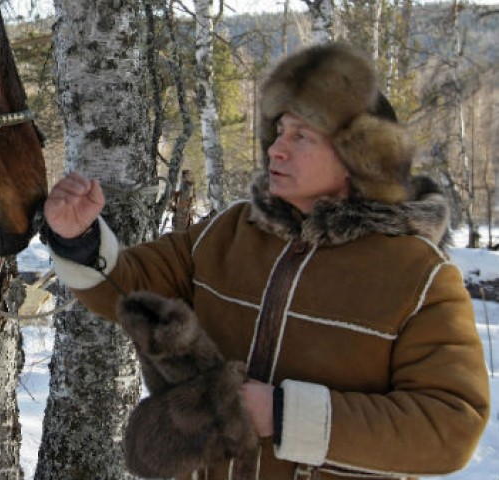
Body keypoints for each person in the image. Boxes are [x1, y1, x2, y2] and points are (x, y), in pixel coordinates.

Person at [42, 43, 489, 479]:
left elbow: (451, 425)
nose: (277, 148)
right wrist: (78, 237)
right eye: (280, 131)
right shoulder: (230, 231)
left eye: (302, 136)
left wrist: (282, 414)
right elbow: (128, 287)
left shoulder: (419, 275)